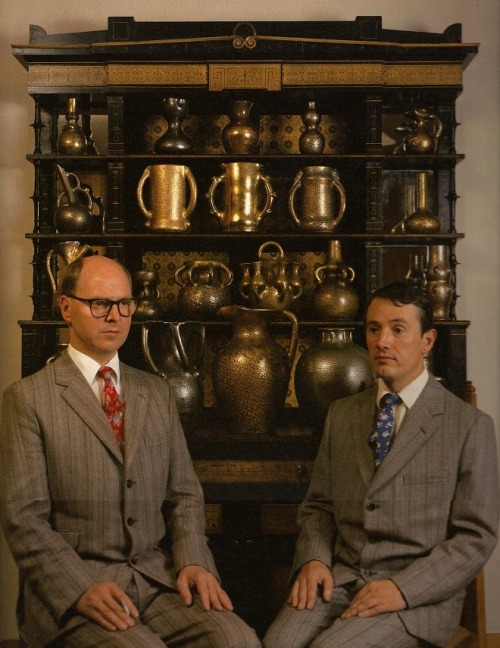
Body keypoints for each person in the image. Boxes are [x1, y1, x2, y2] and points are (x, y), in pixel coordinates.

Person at [0, 254, 261, 648]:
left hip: (157, 582)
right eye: (100, 303)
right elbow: (24, 518)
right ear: (66, 307)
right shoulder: (29, 398)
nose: (115, 316)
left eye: (125, 304)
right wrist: (77, 590)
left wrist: (193, 560)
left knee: (238, 641)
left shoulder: (155, 392)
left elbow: (184, 495)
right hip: (76, 593)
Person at [263, 282, 499, 648]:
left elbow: (475, 537)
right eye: (374, 328)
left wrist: (402, 589)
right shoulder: (342, 415)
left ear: (428, 341)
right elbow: (319, 507)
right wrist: (314, 560)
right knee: (276, 644)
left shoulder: (469, 426)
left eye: (398, 329)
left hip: (415, 600)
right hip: (339, 581)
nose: (382, 341)